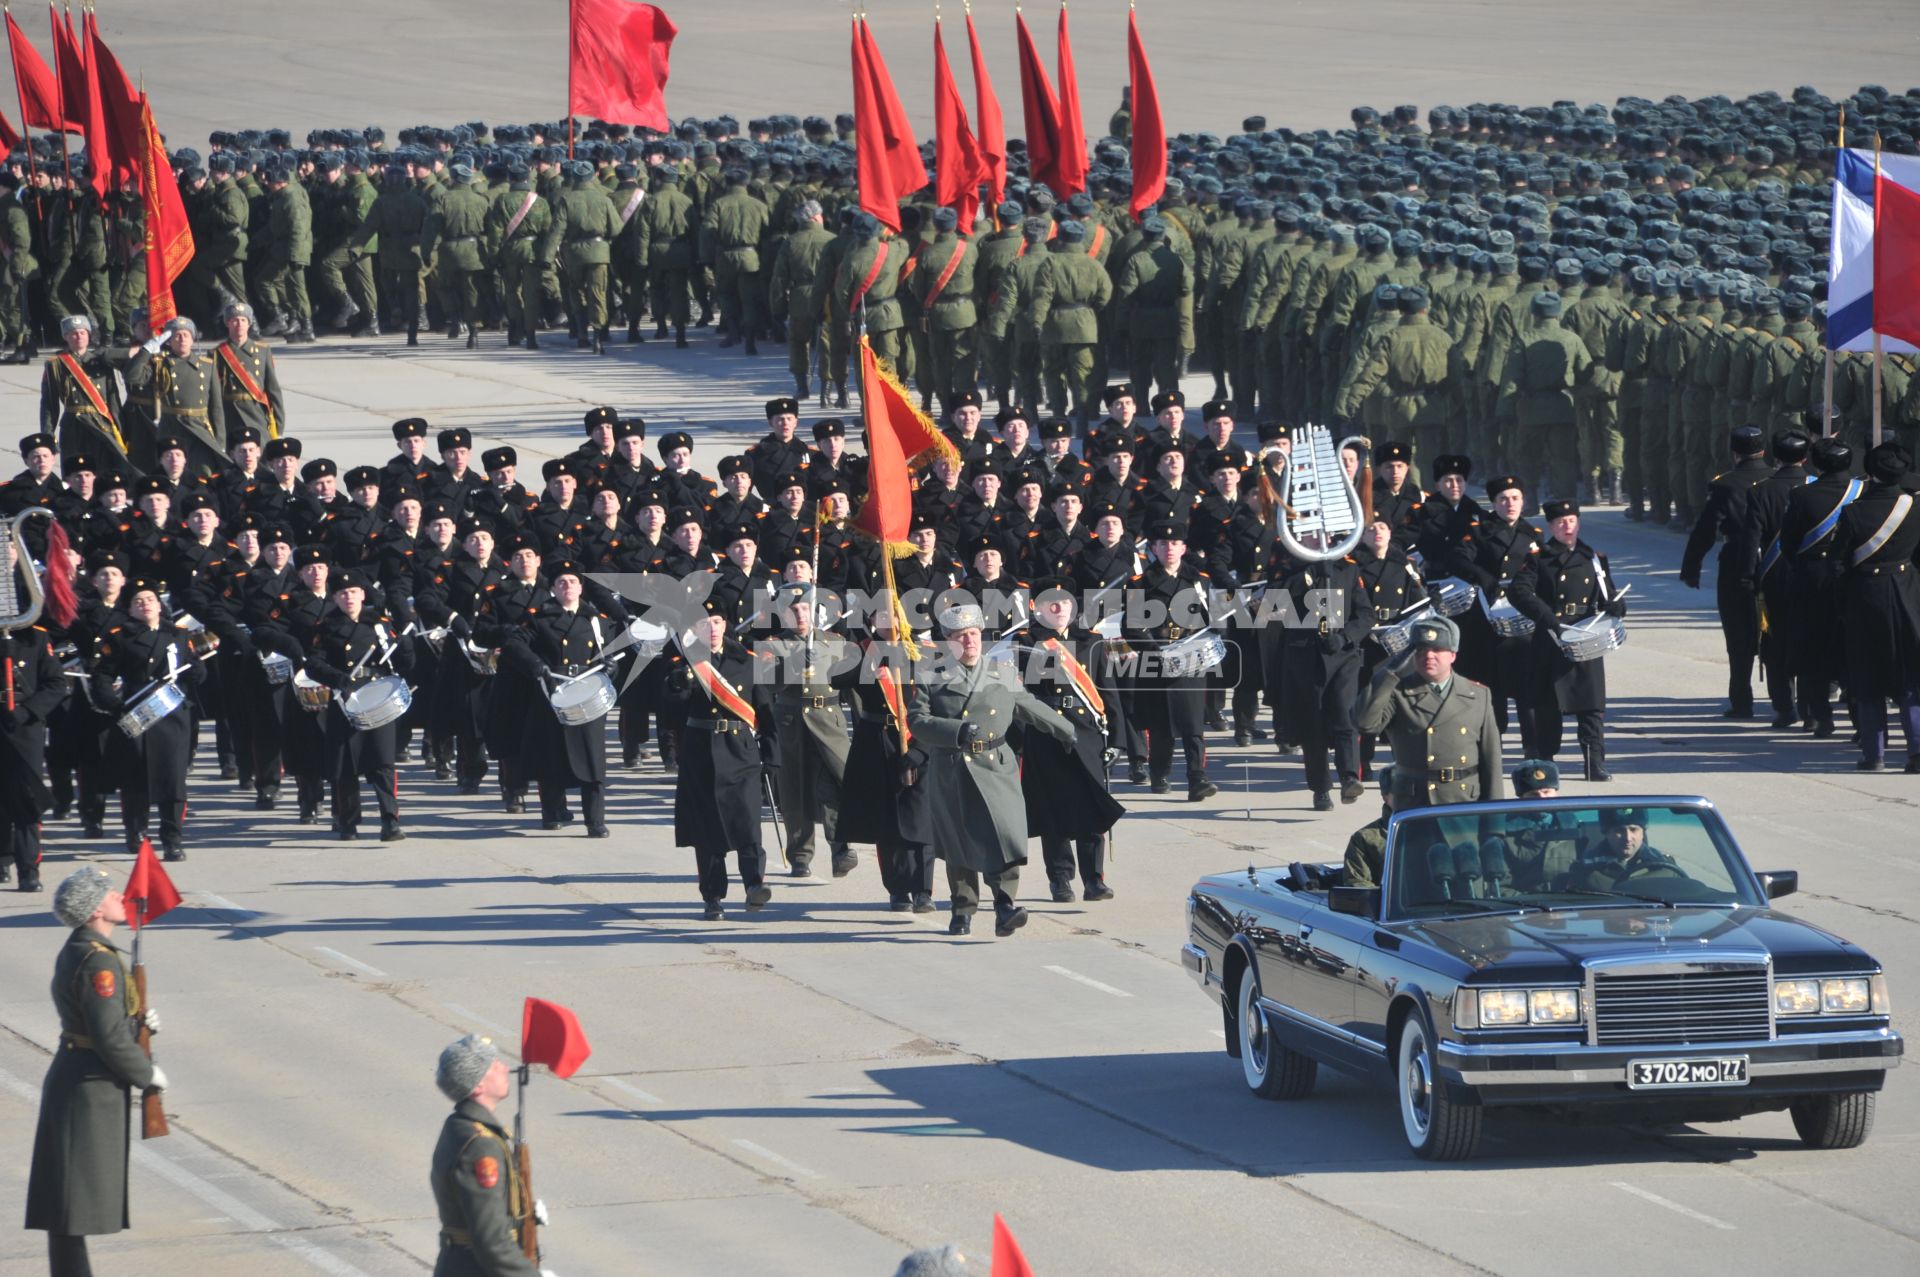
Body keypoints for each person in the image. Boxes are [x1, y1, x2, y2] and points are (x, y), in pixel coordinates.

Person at [26, 867, 168, 1277]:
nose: (120, 897)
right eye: (109, 894)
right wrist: (147, 1073)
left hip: (82, 1077)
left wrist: (137, 1023)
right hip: (89, 1085)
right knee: (71, 1197)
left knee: (70, 1196)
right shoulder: (97, 961)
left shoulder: (86, 950)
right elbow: (106, 1037)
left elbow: (102, 1022)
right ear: (93, 910)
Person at [910, 601, 1075, 936]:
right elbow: (917, 721)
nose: (968, 641)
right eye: (959, 636)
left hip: (996, 766)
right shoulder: (932, 676)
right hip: (954, 768)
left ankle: (1004, 904)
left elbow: (1029, 706)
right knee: (960, 843)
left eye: (972, 634)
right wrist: (954, 731)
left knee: (1007, 835)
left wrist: (1068, 731)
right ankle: (963, 909)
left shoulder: (1001, 672)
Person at [663, 601, 776, 920]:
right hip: (702, 751)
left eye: (716, 621)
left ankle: (755, 884)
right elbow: (671, 707)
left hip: (741, 750)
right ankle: (713, 896)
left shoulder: (747, 660)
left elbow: (765, 712)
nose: (711, 628)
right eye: (703, 623)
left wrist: (772, 755)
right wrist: (678, 682)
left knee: (748, 823)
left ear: (725, 625)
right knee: (707, 830)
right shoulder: (685, 661)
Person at [1018, 576, 1126, 901]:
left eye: (1064, 602)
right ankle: (1060, 879)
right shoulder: (1027, 643)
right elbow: (1028, 695)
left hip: (1089, 736)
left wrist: (1119, 741)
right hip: (1046, 735)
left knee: (1091, 807)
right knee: (1053, 811)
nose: (1059, 608)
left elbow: (1109, 694)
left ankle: (1094, 879)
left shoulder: (1091, 642)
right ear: (1037, 608)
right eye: (1051, 603)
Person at [1508, 500, 1627, 779]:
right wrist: (1549, 618)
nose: (1567, 526)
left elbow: (1608, 593)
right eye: (1561, 522)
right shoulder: (1539, 558)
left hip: (1586, 634)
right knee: (1548, 704)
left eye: (1571, 520)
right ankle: (1546, 762)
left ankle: (1593, 762)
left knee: (1592, 705)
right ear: (1550, 526)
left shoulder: (1593, 558)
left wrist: (1617, 607)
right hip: (1552, 637)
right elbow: (1519, 592)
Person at [428, 1033, 550, 1277]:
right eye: (494, 1065)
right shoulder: (480, 1146)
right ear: (478, 1086)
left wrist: (521, 1211)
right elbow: (491, 1241)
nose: (505, 1068)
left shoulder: (461, 1126)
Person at [1355, 615, 1505, 808]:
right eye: (1421, 650)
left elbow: (1491, 762)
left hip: (1463, 800)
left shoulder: (1477, 695)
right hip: (1415, 802)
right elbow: (1364, 722)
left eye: (1437, 650)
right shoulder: (1397, 692)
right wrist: (1388, 673)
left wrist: (1494, 824)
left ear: (1453, 654)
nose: (1428, 656)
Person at [1833, 441, 1920, 772]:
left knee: (1868, 676)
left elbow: (1839, 566)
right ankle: (1916, 750)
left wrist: (1841, 605)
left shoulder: (1854, 512)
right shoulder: (1914, 508)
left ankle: (1875, 754)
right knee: (1910, 675)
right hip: (1908, 595)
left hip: (1865, 596)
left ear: (1870, 473)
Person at [1680, 426, 1774, 717]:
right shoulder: (1776, 479)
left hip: (1736, 563)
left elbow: (1706, 529)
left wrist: (1692, 567)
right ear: (1763, 451)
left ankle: (1742, 701)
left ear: (1735, 453)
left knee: (1738, 635)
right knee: (1778, 632)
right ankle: (1786, 700)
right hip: (1775, 561)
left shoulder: (1726, 485)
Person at [1563, 807, 1684, 892]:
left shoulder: (1665, 867)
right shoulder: (1585, 870)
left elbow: (1683, 905)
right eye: (1619, 830)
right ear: (1606, 832)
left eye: (1633, 829)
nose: (1627, 838)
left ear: (1643, 832)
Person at [1341, 765, 1394, 887]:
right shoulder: (1366, 839)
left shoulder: (1443, 827)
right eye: (1402, 791)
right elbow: (1359, 888)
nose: (1412, 796)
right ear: (1385, 797)